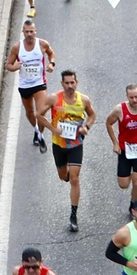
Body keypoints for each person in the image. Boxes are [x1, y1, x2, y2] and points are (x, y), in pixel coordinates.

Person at [47, 70, 96, 232]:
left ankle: (73, 215)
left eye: (72, 82)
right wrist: (52, 129)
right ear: (62, 83)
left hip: (75, 144)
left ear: (77, 82)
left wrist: (86, 127)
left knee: (75, 179)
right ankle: (65, 172)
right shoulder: (54, 99)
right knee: (64, 177)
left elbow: (92, 115)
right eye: (66, 83)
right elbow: (39, 115)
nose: (70, 86)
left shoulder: (84, 100)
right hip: (59, 144)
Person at [4, 19, 57, 152]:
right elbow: (8, 66)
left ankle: (40, 135)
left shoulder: (42, 44)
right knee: (29, 112)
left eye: (31, 31)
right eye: (26, 32)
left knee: (41, 112)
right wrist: (14, 67)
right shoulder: (17, 47)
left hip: (39, 83)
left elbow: (51, 53)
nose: (29, 34)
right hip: (24, 85)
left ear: (35, 32)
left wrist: (51, 64)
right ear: (23, 32)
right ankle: (36, 130)